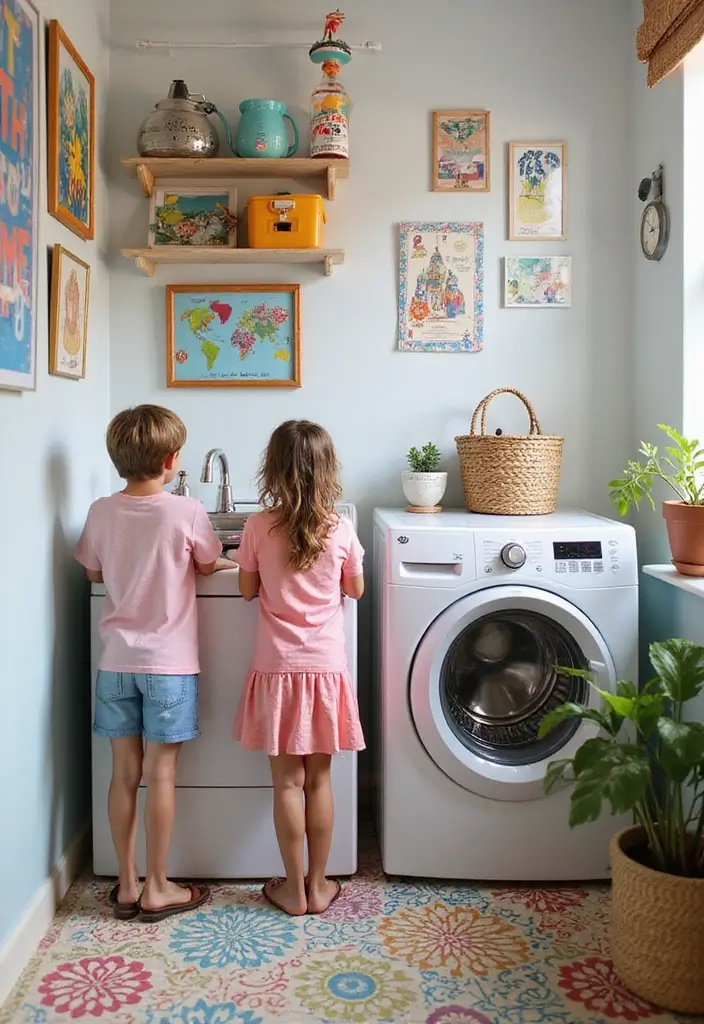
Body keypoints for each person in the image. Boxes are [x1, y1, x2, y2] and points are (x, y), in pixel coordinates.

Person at [75, 405, 225, 922]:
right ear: (170, 460)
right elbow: (209, 562)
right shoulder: (186, 511)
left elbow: (93, 572)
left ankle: (127, 883)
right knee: (161, 774)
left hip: (115, 663)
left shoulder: (100, 511)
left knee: (123, 774)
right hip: (169, 665)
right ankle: (159, 887)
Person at [232, 420, 365, 916]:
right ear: (327, 470)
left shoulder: (258, 526)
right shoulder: (340, 528)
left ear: (273, 469)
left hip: (277, 670)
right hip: (325, 671)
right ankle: (318, 885)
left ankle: (292, 890)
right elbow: (355, 590)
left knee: (286, 783)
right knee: (319, 782)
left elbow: (247, 589)